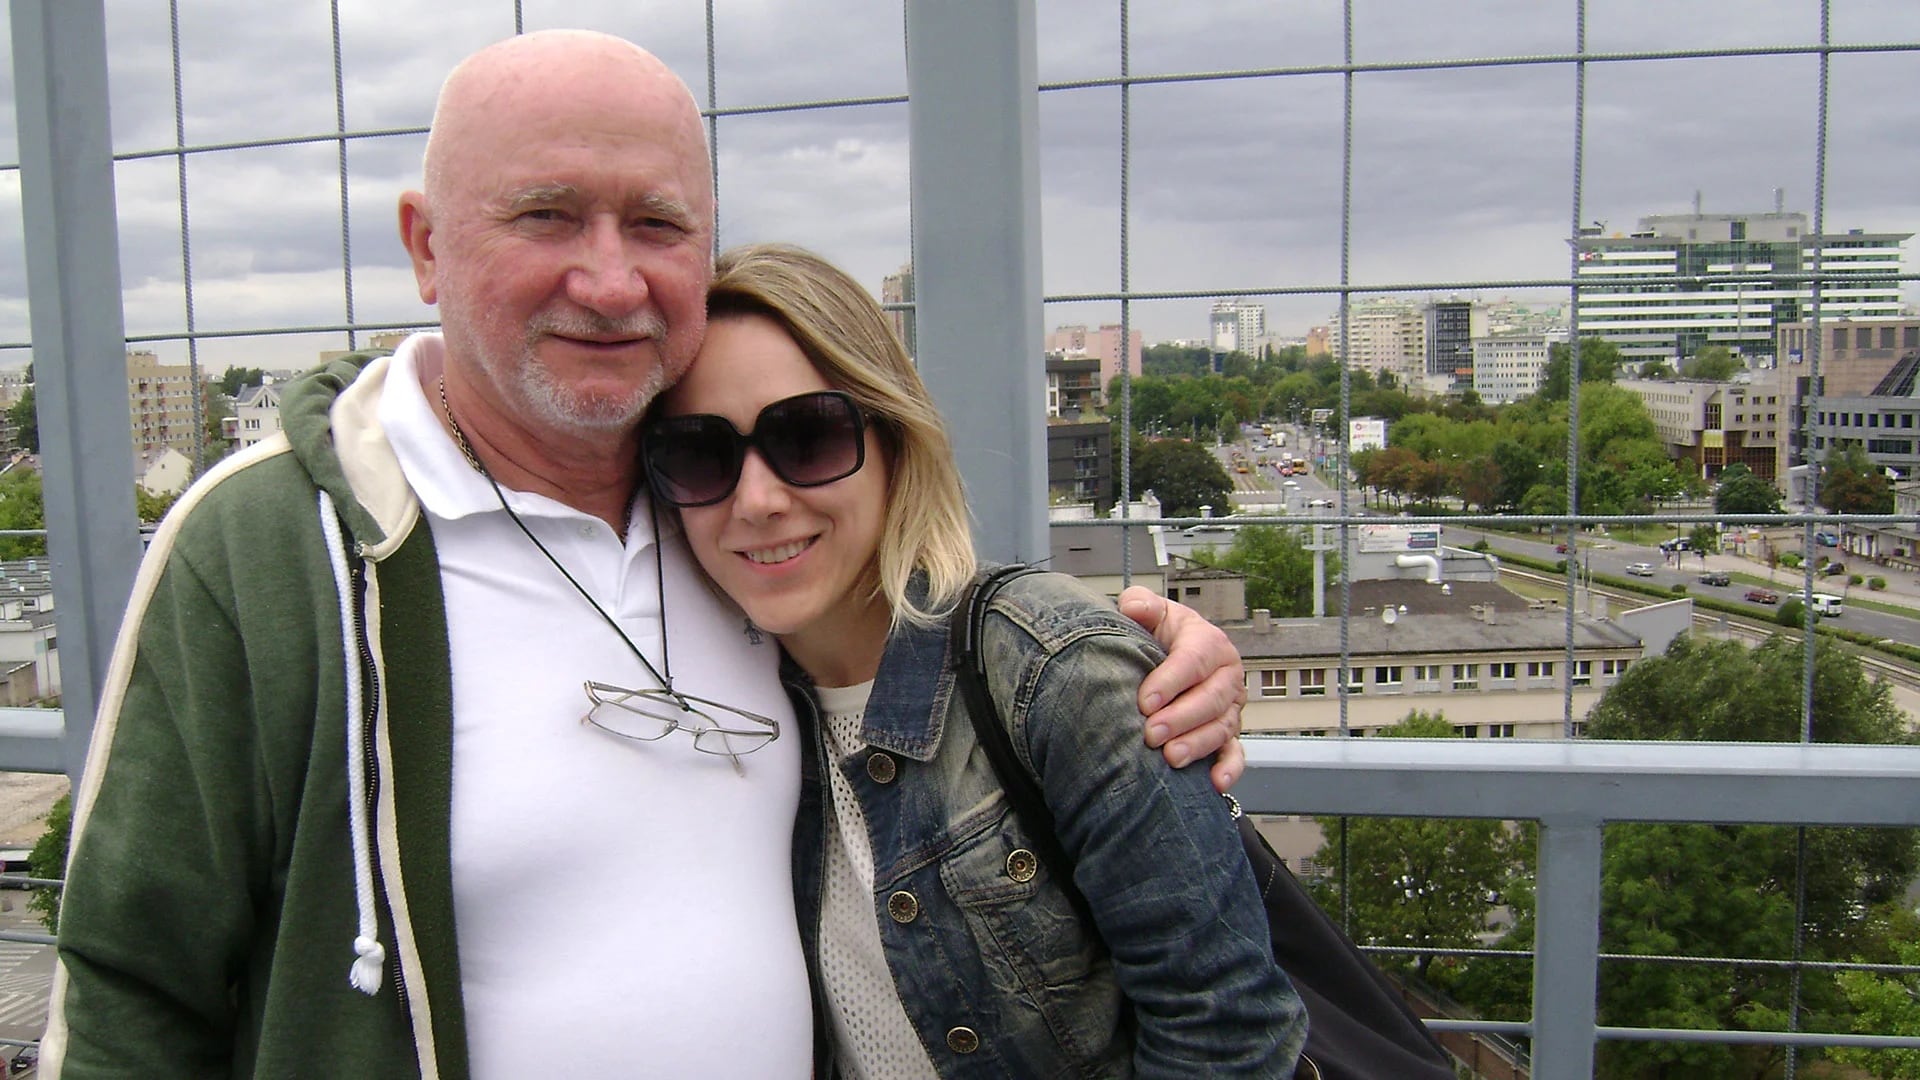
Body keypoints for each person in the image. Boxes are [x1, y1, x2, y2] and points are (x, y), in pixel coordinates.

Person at [43, 29, 1249, 1079]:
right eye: (546, 214)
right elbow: (130, 983)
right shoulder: (269, 548)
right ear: (425, 244)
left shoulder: (722, 528)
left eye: (658, 224)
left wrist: (1138, 670)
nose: (609, 279)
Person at [644, 242, 1305, 1077]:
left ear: (894, 441)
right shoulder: (713, 709)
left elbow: (1229, 1035)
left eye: (806, 437)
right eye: (701, 455)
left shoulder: (1053, 677)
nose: (759, 499)